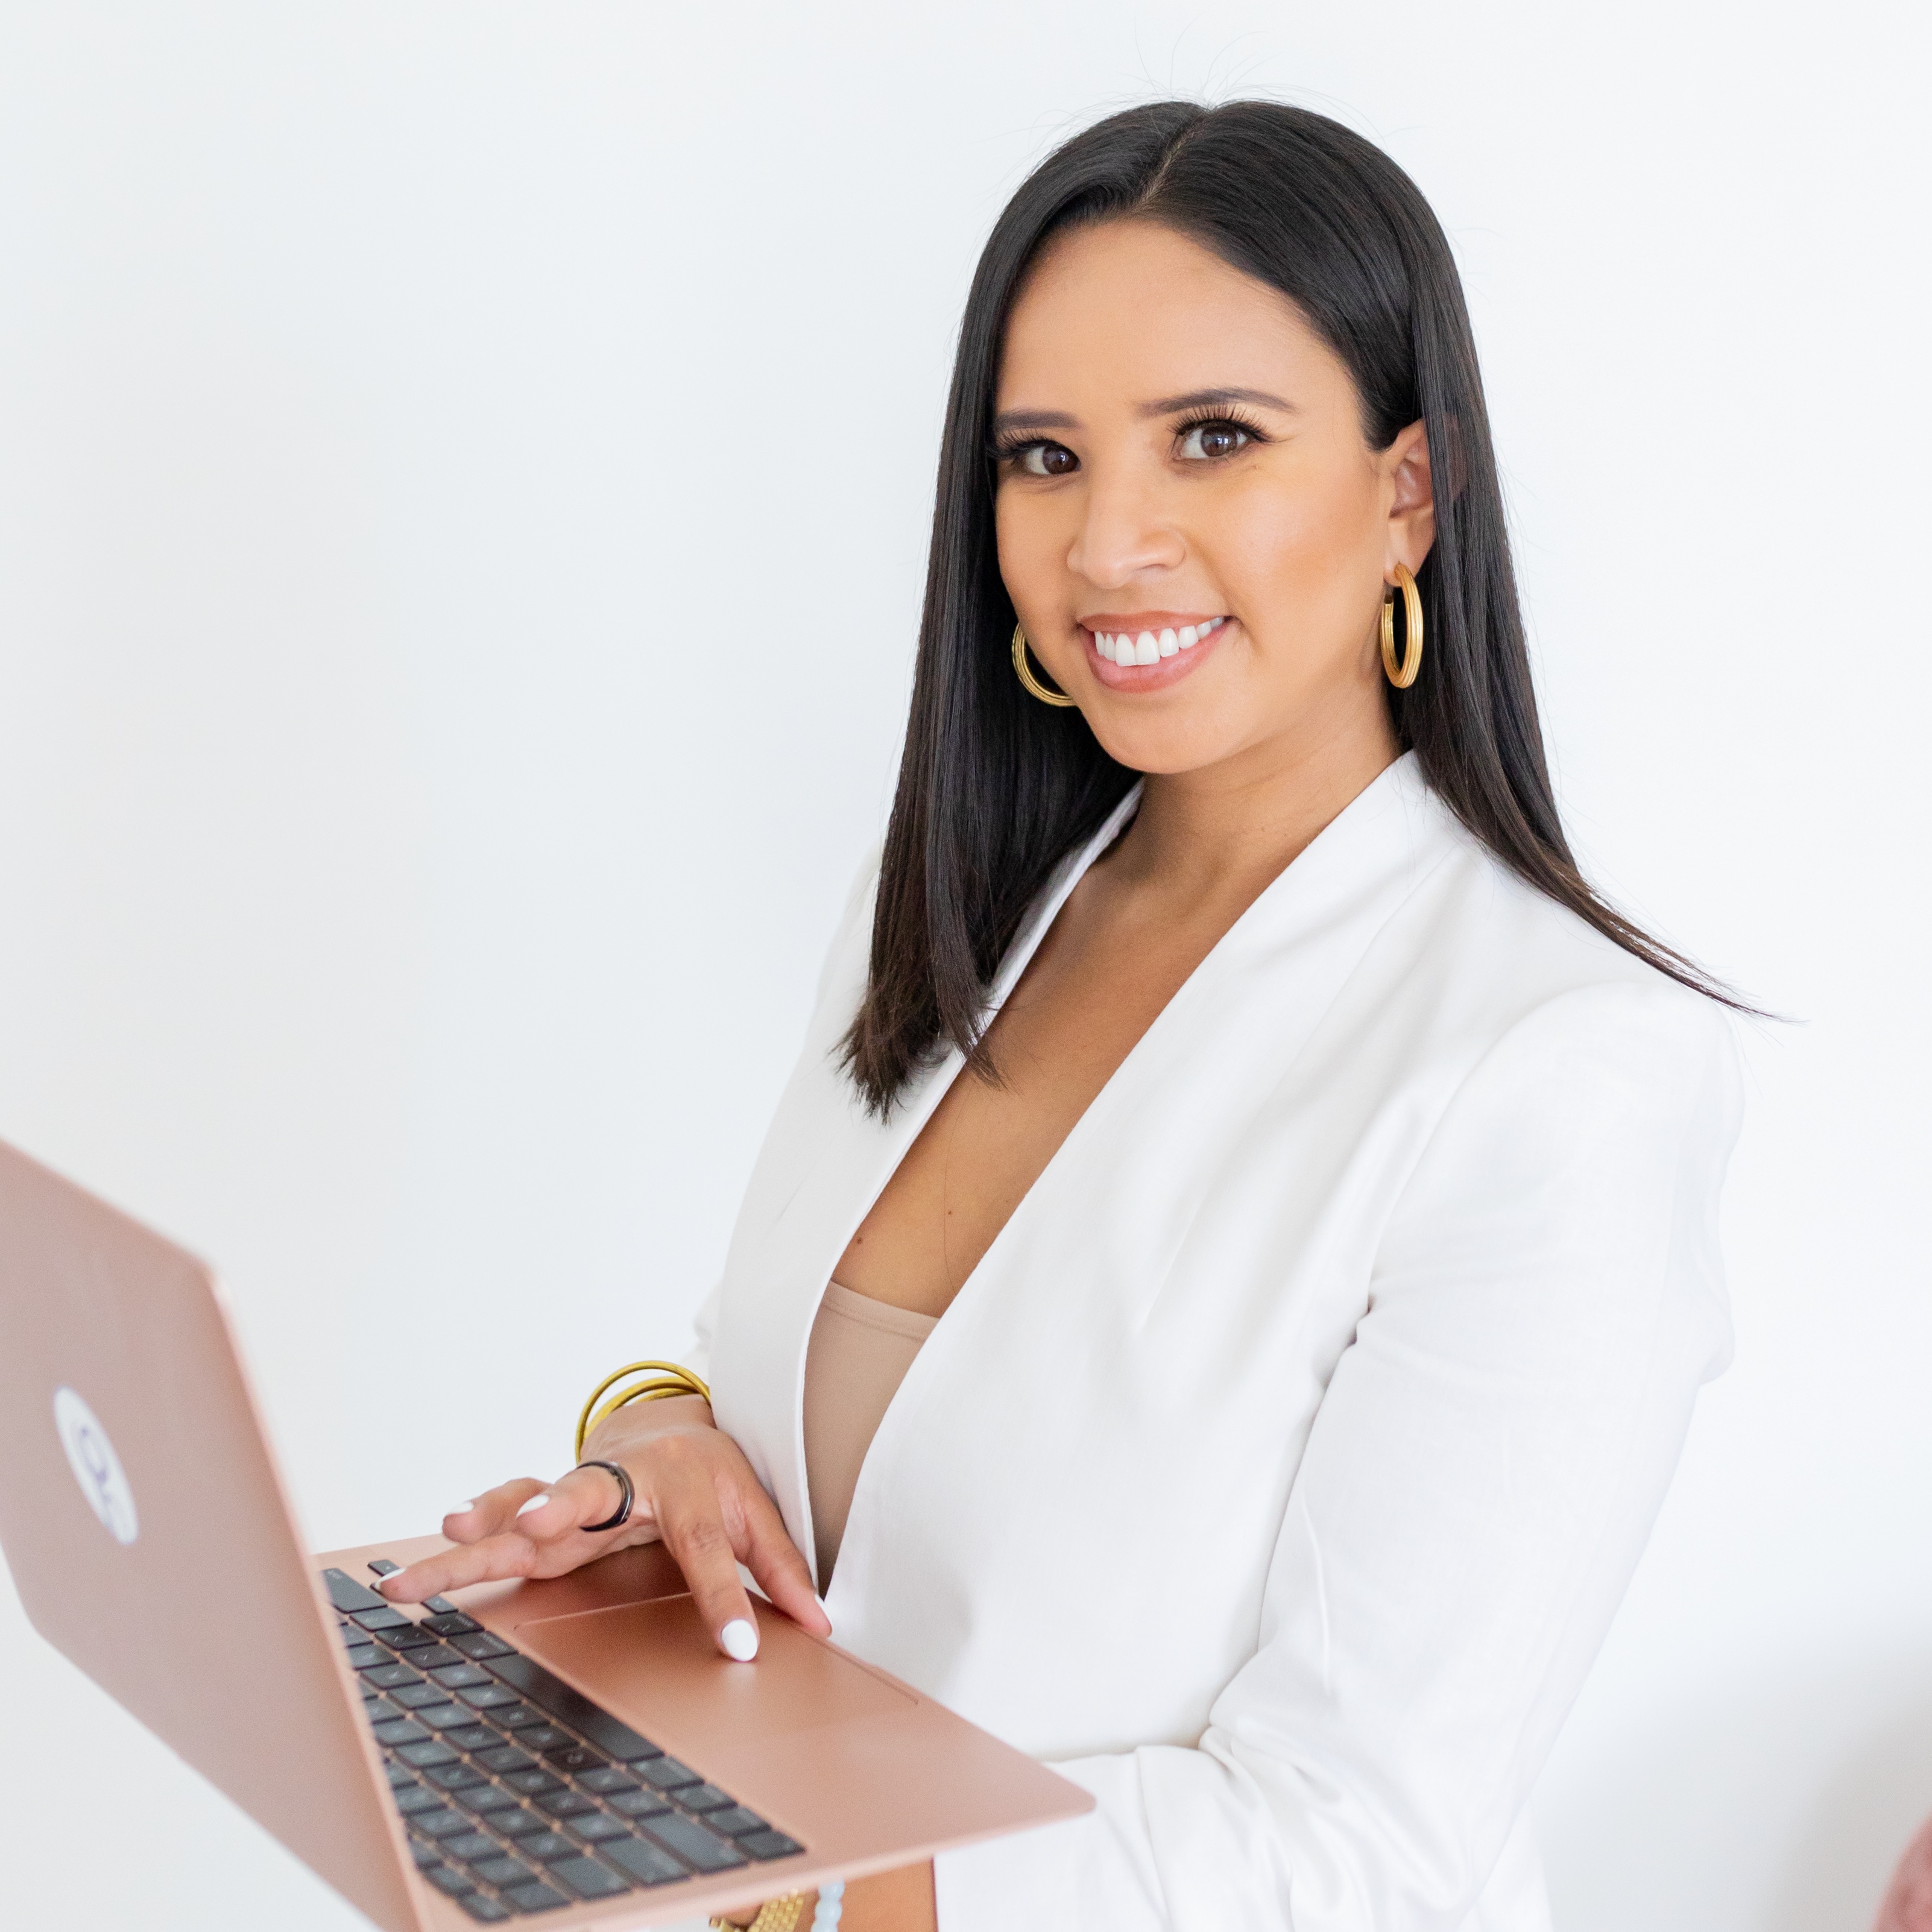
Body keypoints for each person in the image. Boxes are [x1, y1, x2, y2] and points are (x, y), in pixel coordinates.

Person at [381, 100, 1745, 1931]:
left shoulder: (1556, 1069)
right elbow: (806, 1409)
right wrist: (661, 1457)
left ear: (1405, 493)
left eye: (1211, 440)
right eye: (1043, 455)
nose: (1109, 543)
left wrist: (786, 1890)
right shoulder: (960, 907)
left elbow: (1359, 1845)